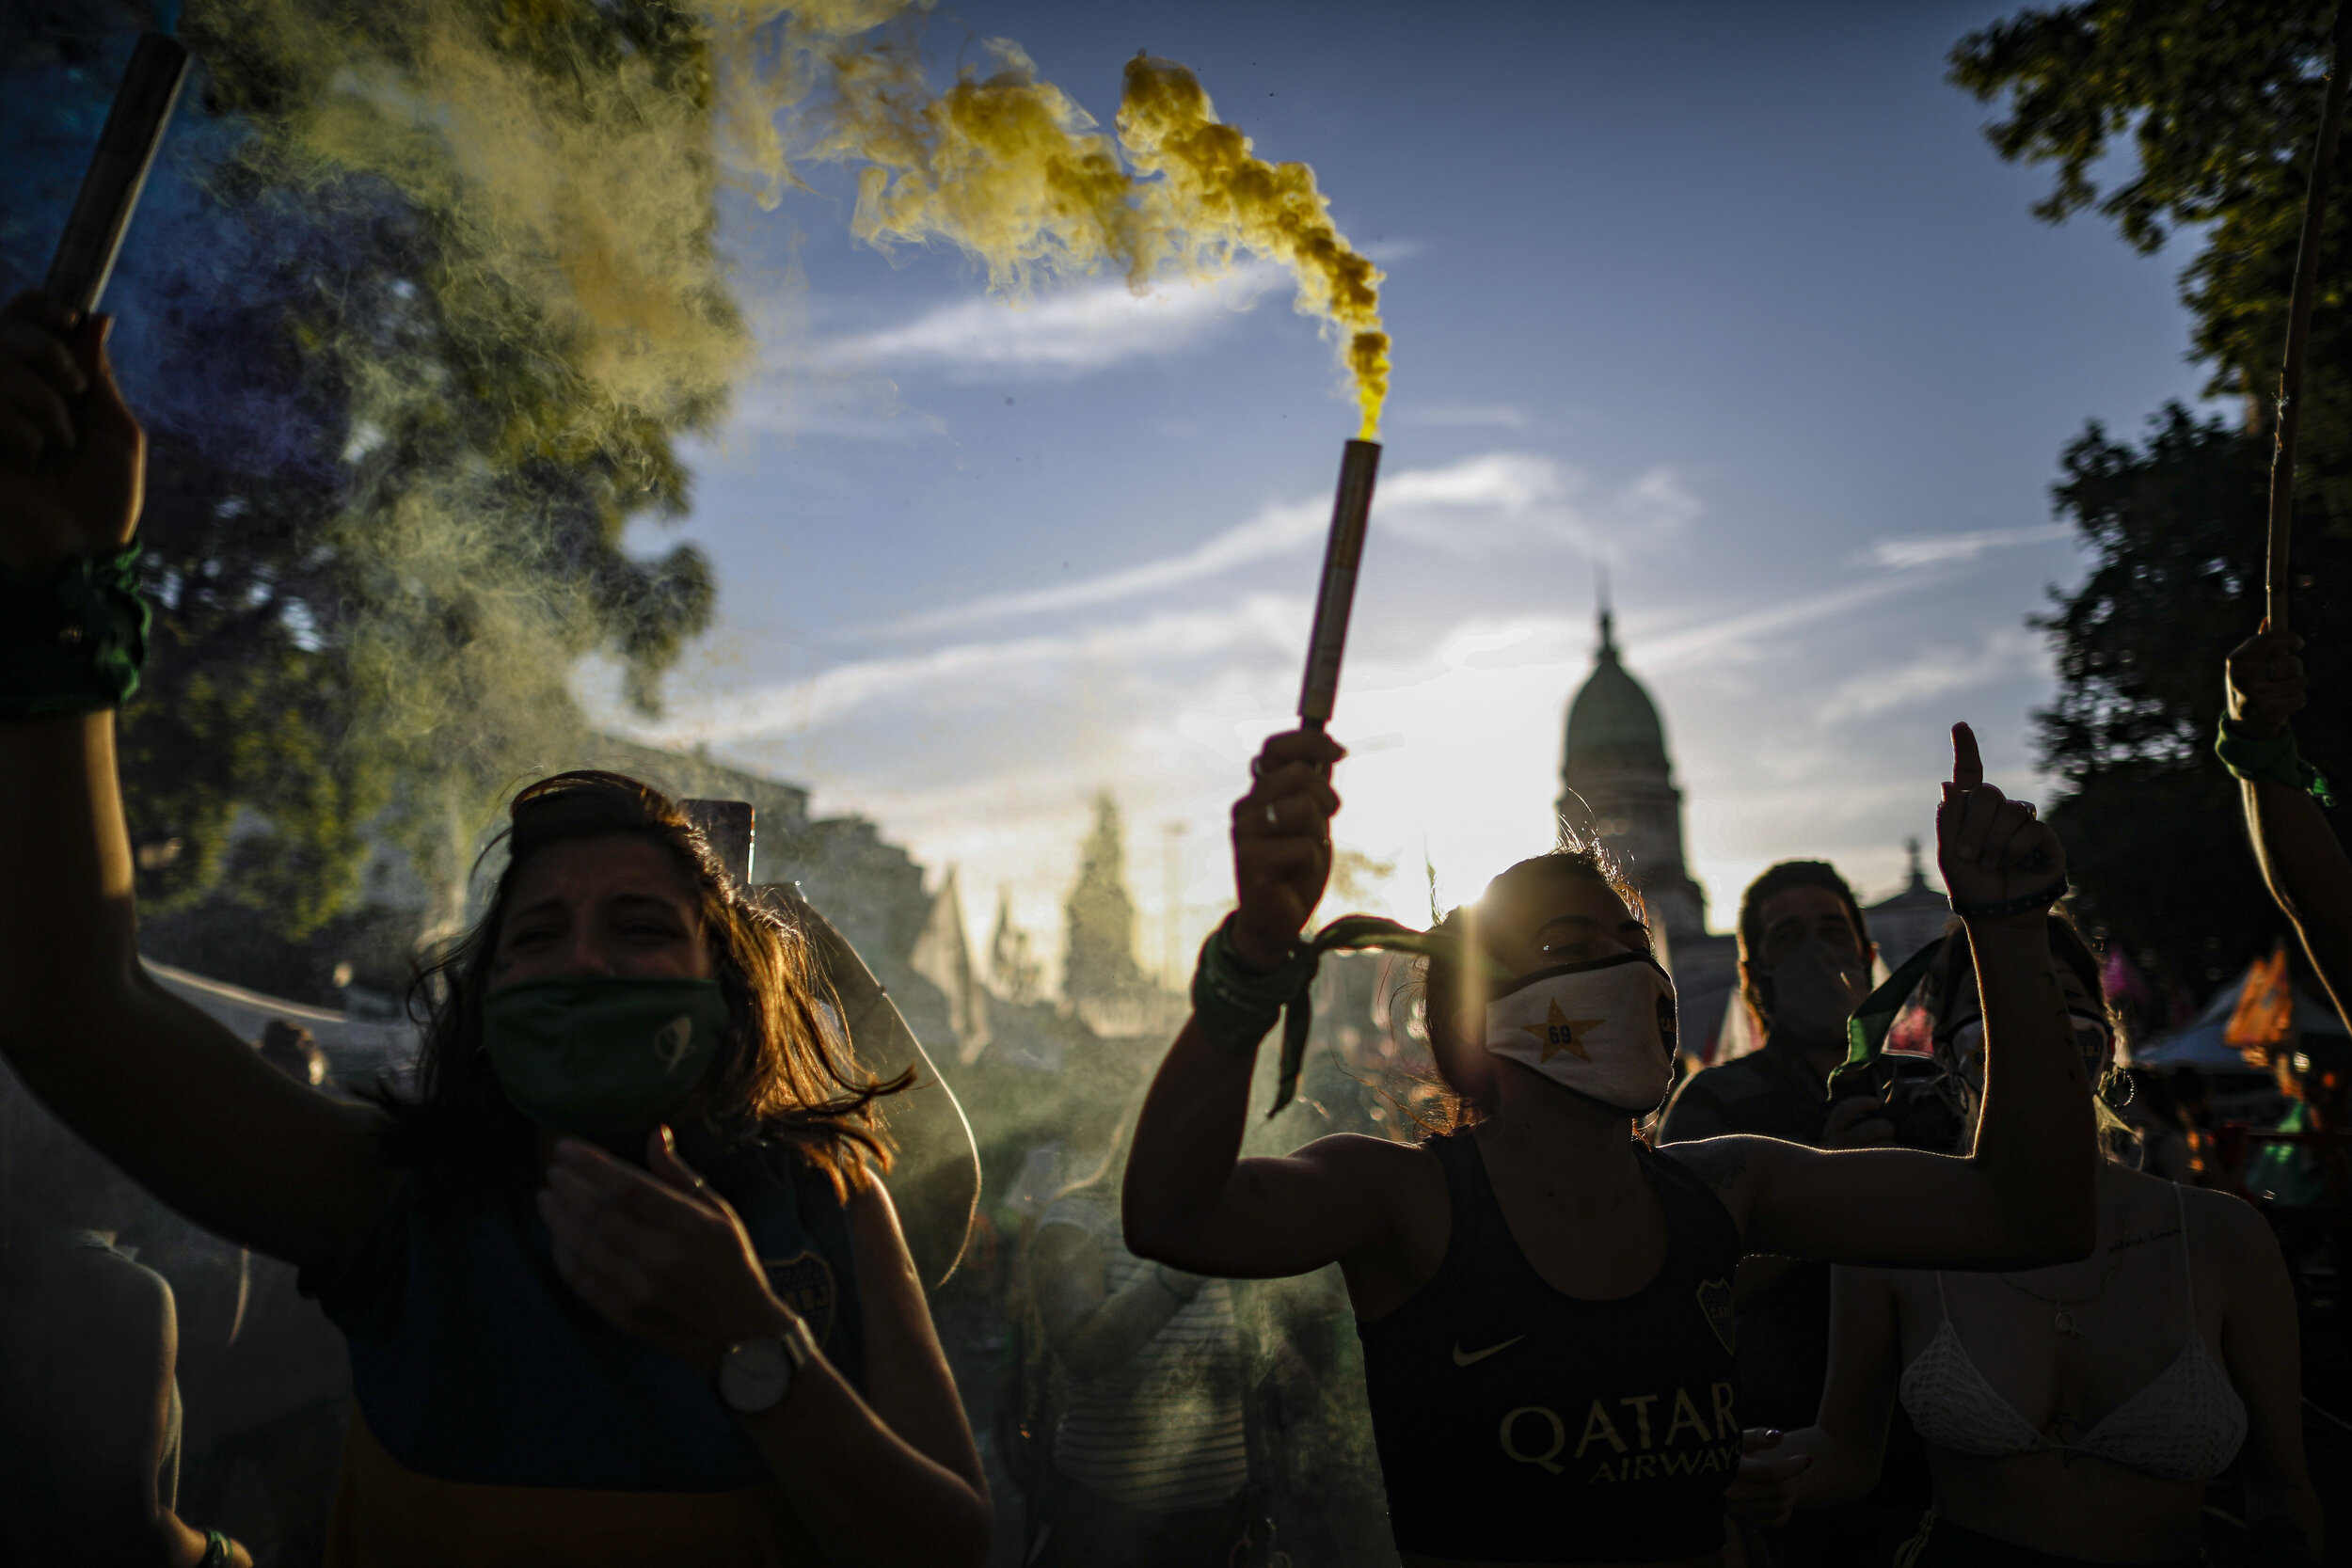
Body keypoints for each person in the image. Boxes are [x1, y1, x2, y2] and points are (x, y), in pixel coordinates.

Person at [0, 288, 989, 1565]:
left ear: (727, 984)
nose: (583, 960)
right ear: (479, 1000)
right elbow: (70, 1009)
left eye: (641, 926)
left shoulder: (828, 1205)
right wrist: (61, 587)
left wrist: (749, 1342)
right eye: (534, 937)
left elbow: (951, 1543)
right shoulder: (395, 1206)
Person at [1122, 719, 2101, 1568]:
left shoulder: (1730, 1187)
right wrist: (1254, 949)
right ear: (1472, 1017)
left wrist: (2008, 929)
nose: (1626, 970)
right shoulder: (1400, 1198)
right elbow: (1173, 1214)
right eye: (1567, 948)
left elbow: (2032, 1211)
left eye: (1632, 945)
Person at [1737, 915, 2324, 1566]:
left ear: (2109, 1037)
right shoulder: (1897, 1232)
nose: (2033, 1036)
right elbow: (1845, 1450)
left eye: (2063, 1008)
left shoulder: (2222, 1236)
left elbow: (2282, 1487)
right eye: (1992, 1016)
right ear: (1946, 1051)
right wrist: (1723, 1471)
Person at [0, 1089, 253, 1567]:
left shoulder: (45, 1260)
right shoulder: (118, 1291)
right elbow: (127, 1531)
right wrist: (223, 1554)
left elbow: (214, 1327)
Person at [1026, 1125, 1258, 1567]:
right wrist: (1183, 1268)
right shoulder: (1075, 1220)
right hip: (1106, 1517)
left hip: (1219, 1516)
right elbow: (1083, 1351)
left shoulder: (1209, 1215)